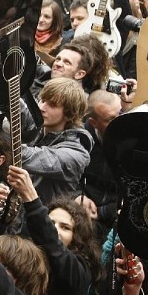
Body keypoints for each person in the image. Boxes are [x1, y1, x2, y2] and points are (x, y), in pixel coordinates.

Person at [5, 166, 101, 295]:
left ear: (78, 237)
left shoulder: (80, 271)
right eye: (51, 223)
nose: (55, 230)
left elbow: (54, 247)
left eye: (65, 227)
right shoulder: (29, 256)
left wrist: (31, 197)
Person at [20, 77, 93, 207]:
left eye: (52, 105)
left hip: (43, 221)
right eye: (42, 100)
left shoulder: (76, 154)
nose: (42, 107)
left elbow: (27, 156)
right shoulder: (39, 126)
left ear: (70, 113)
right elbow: (18, 107)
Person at [76, 89, 122, 235]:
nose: (118, 123)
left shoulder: (130, 141)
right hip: (82, 211)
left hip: (116, 214)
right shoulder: (80, 139)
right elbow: (69, 176)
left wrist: (104, 211)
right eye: (110, 119)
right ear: (93, 122)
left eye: (120, 115)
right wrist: (77, 196)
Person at [35, 0, 65, 66]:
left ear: (54, 20)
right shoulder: (25, 37)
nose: (40, 20)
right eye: (39, 15)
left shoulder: (62, 42)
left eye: (46, 17)